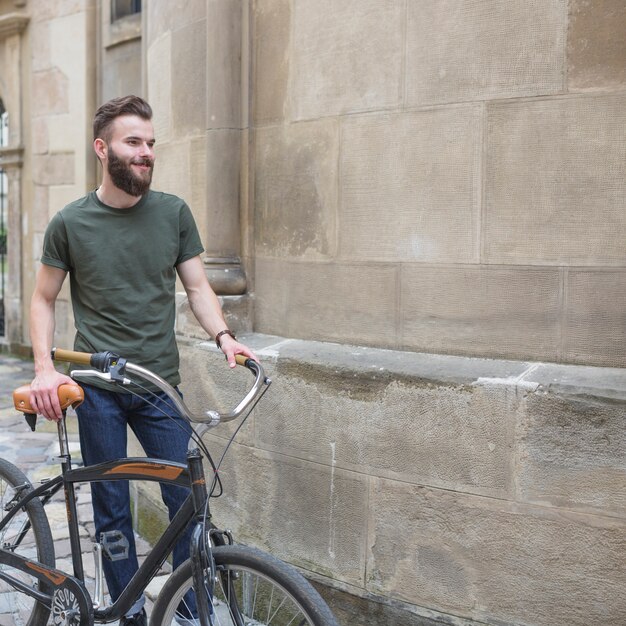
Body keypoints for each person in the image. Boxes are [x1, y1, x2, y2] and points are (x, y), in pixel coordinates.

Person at [29, 95, 257, 626]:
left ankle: (189, 612)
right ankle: (128, 612)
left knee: (186, 504)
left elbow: (197, 287)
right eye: (134, 142)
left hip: (159, 385)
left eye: (151, 144)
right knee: (111, 504)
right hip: (98, 386)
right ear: (102, 148)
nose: (146, 153)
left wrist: (224, 336)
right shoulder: (71, 222)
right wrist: (45, 367)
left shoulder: (173, 212)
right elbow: (43, 299)